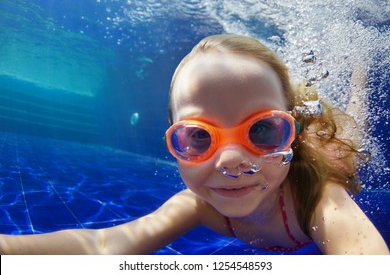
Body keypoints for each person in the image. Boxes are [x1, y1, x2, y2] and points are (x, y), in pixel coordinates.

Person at [0, 34, 388, 255]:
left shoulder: (317, 195)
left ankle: (357, 80)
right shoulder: (201, 207)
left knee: (350, 127)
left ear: (292, 130)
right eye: (200, 136)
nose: (232, 161)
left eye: (263, 131)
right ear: (173, 139)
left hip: (331, 153)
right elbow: (103, 245)